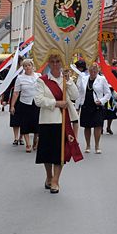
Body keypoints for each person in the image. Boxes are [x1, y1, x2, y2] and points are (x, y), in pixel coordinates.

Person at [34, 53, 81, 193]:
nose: (55, 64)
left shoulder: (66, 80)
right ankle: (49, 176)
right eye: (53, 61)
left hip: (62, 121)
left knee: (60, 153)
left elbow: (75, 96)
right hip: (47, 120)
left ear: (61, 63)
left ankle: (55, 180)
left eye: (58, 61)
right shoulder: (42, 80)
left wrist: (69, 81)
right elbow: (38, 100)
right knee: (47, 153)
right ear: (48, 63)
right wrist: (56, 103)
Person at [77, 61, 110, 154]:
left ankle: (97, 145)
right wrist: (77, 106)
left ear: (98, 71)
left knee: (97, 126)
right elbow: (80, 92)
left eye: (95, 71)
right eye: (91, 71)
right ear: (89, 70)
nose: (93, 73)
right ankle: (88, 145)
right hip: (86, 104)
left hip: (97, 106)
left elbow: (108, 93)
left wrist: (102, 101)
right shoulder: (84, 78)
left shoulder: (102, 79)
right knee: (87, 126)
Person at [10, 58, 41, 153]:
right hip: (24, 103)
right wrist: (12, 106)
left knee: (37, 123)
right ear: (23, 67)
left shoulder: (38, 76)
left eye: (29, 65)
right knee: (25, 124)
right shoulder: (20, 78)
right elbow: (16, 93)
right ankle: (28, 144)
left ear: (32, 66)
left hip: (36, 103)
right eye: (25, 66)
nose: (27, 67)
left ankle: (35, 139)